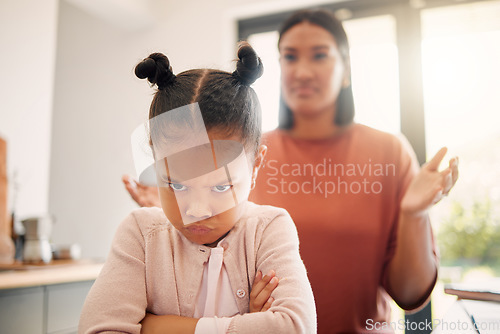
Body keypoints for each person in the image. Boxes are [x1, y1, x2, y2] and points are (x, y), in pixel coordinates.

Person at [122, 9, 459, 333]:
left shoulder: (389, 153)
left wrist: (414, 214)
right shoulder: (236, 157)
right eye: (290, 56)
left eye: (320, 55)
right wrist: (171, 210)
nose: (302, 71)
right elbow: (210, 273)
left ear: (346, 70)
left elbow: (410, 294)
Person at [80, 43, 316, 334]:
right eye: (177, 184)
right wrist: (247, 325)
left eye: (220, 187)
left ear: (255, 167)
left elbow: (295, 327)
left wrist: (153, 326)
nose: (197, 211)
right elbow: (99, 329)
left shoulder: (269, 229)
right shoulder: (140, 234)